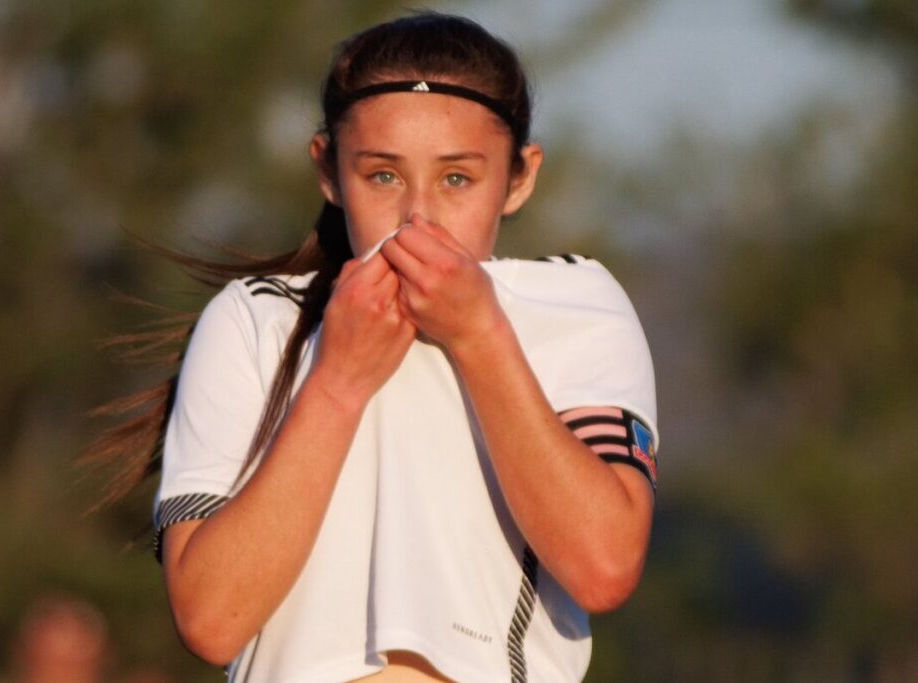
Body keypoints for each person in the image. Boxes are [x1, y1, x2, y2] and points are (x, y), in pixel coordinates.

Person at [90, 11, 658, 683]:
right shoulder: (254, 320)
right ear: (329, 170)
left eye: (457, 179)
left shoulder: (573, 302)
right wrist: (338, 381)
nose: (418, 217)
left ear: (519, 177)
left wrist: (479, 335)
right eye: (383, 175)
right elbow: (211, 619)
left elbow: (605, 566)